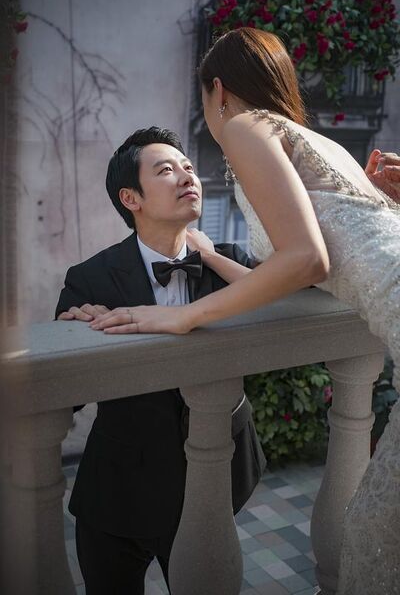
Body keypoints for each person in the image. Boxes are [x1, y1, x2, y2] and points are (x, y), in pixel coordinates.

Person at [90, 29, 400, 595]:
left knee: (374, 540)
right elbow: (327, 264)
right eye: (166, 169)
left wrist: (184, 316)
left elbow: (305, 259)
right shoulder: (318, 143)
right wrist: (210, 256)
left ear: (219, 90)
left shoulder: (244, 126)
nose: (188, 172)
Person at [56, 126, 266, 595]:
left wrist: (211, 257)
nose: (188, 176)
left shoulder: (229, 263)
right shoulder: (90, 278)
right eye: (166, 170)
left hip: (212, 477)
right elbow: (65, 398)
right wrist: (74, 333)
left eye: (188, 167)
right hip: (120, 490)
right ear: (130, 198)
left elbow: (298, 294)